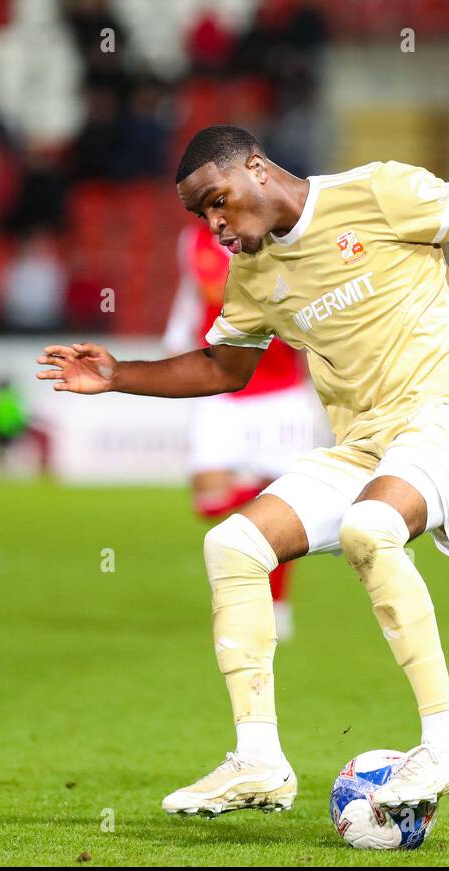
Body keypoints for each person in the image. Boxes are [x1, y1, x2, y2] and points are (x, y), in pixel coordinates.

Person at [39, 125, 449, 816]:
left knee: (371, 527)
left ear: (256, 168)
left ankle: (447, 744)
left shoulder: (378, 190)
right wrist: (119, 374)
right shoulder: (254, 274)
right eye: (201, 216)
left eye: (218, 201)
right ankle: (259, 761)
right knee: (232, 544)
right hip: (366, 443)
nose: (215, 225)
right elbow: (224, 366)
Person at [163, 221, 324, 639]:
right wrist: (176, 343)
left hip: (279, 392)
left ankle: (277, 606)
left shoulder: (280, 237)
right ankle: (254, 487)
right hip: (221, 387)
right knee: (209, 498)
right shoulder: (193, 240)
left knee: (286, 514)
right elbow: (191, 298)